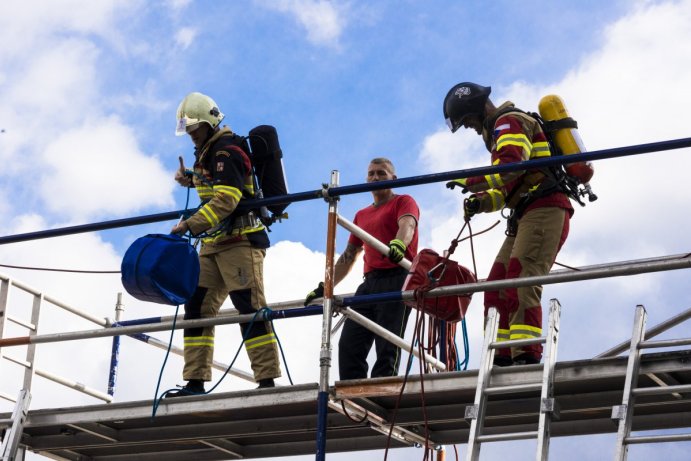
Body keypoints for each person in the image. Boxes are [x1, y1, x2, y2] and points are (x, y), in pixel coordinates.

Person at [443, 82, 573, 366]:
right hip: (526, 212)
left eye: (467, 122)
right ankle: (501, 356)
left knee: (520, 278)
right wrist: (481, 201)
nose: (470, 129)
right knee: (496, 286)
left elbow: (511, 165)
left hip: (546, 208)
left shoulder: (508, 122)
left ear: (477, 109)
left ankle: (525, 354)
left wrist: (471, 180)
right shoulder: (500, 132)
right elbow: (506, 189)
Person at [166, 91, 281, 396]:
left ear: (208, 123)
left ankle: (267, 381)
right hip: (213, 244)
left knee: (249, 308)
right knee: (196, 308)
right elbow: (214, 182)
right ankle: (195, 381)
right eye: (188, 130)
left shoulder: (226, 151)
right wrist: (190, 178)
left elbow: (227, 199)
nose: (190, 135)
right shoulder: (210, 152)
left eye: (194, 128)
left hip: (240, 242)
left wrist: (189, 225)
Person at [304, 158, 419, 380]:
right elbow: (349, 256)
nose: (375, 177)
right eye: (372, 174)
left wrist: (399, 244)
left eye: (381, 173)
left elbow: (408, 225)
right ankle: (353, 392)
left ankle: (382, 391)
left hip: (397, 278)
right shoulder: (361, 215)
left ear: (393, 178)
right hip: (370, 282)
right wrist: (325, 286)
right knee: (350, 342)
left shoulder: (403, 201)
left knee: (388, 343)